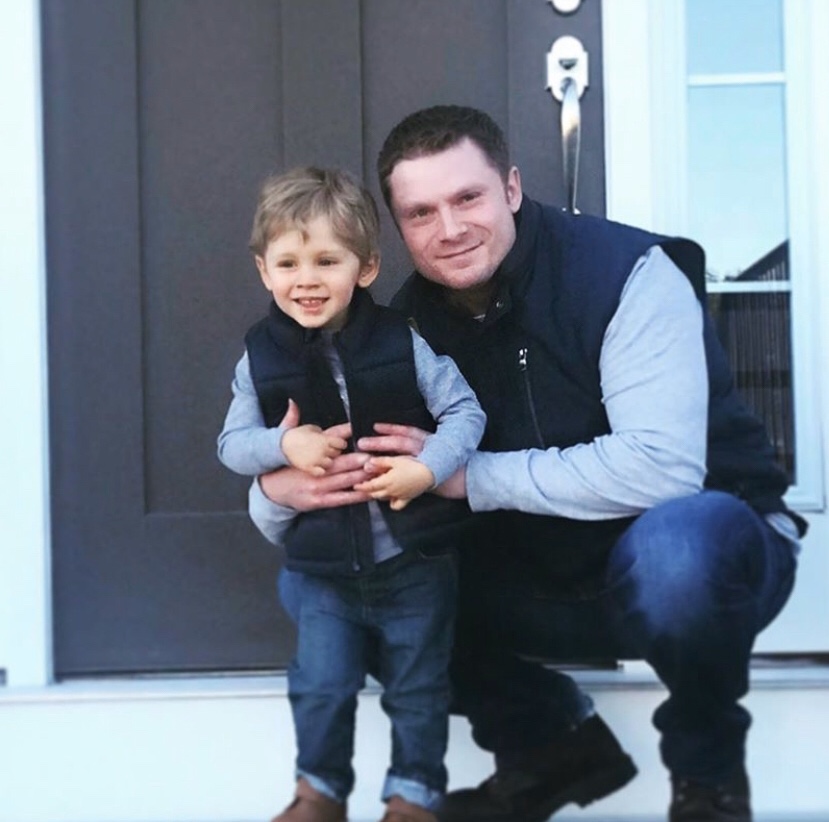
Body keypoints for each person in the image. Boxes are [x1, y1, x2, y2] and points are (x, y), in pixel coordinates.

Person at [247, 109, 806, 822]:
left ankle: (707, 775)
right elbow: (349, 476)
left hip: (696, 563)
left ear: (510, 188)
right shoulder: (397, 332)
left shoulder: (628, 274)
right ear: (394, 231)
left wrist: (465, 475)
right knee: (340, 587)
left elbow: (660, 470)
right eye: (421, 213)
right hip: (536, 571)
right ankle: (551, 746)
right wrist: (278, 492)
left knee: (677, 547)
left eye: (467, 198)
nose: (448, 228)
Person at [218, 166, 486, 822]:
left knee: (418, 687)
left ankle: (412, 796)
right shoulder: (259, 356)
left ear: (364, 269)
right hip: (324, 573)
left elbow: (465, 413)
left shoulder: (402, 340)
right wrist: (284, 447)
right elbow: (231, 446)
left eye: (326, 260)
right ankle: (318, 795)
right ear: (264, 271)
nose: (305, 279)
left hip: (412, 562)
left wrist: (428, 470)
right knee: (319, 685)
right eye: (287, 262)